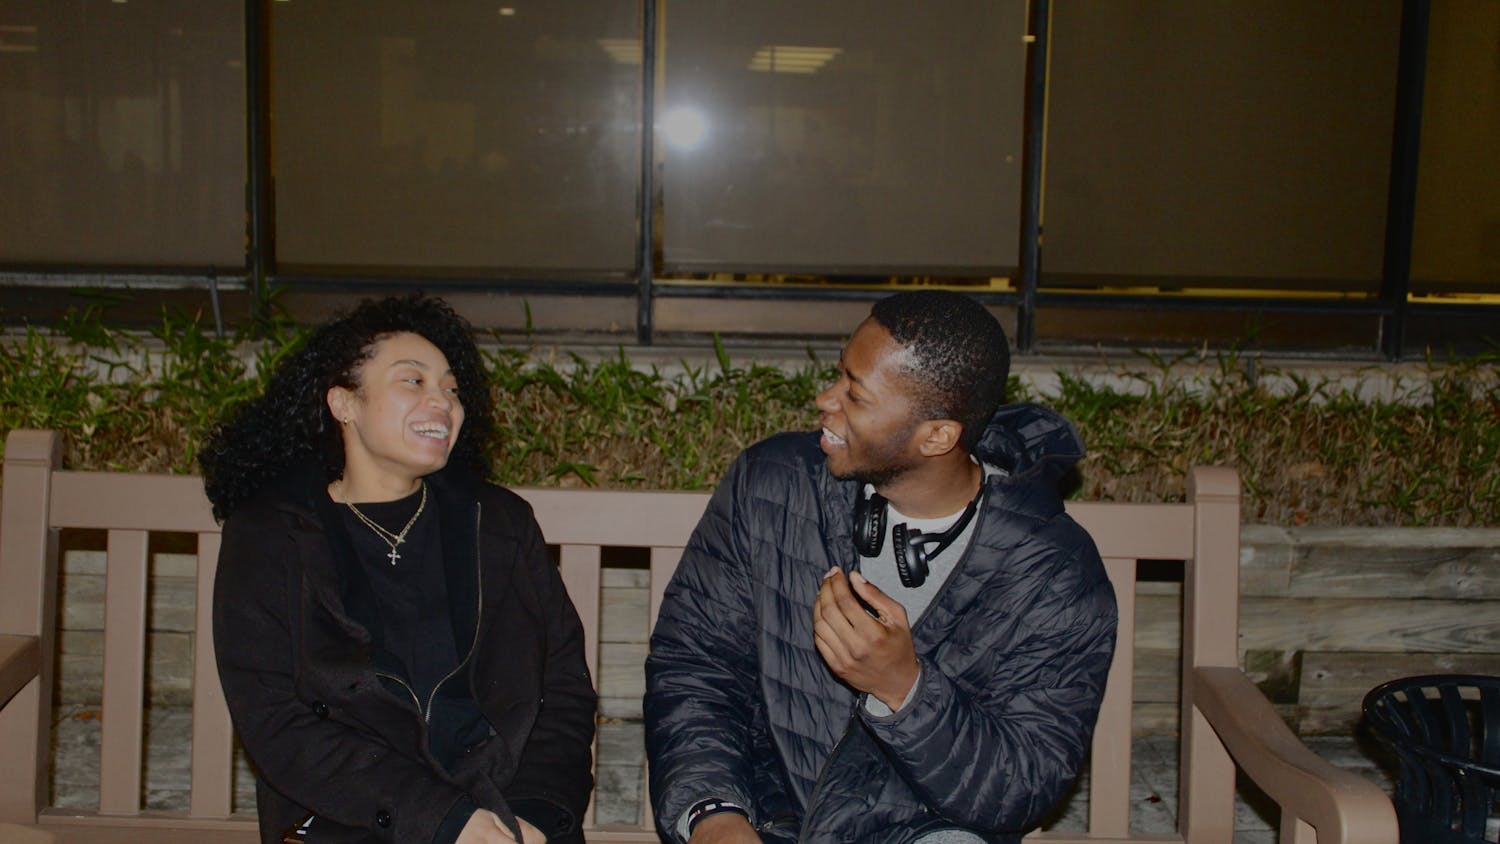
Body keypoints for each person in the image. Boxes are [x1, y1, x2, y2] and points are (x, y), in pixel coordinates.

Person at [644, 290, 1118, 843]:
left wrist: (904, 689)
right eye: (837, 375)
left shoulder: (1053, 573)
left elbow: (1022, 783)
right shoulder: (773, 485)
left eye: (856, 394)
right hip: (773, 822)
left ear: (937, 435)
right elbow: (696, 666)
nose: (825, 400)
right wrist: (715, 815)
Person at [201, 294, 595, 844]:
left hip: (507, 813)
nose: (444, 402)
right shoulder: (271, 537)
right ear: (344, 404)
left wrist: (536, 814)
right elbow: (277, 723)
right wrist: (443, 819)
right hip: (354, 820)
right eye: (413, 381)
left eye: (452, 389)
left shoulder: (500, 524)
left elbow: (563, 691)